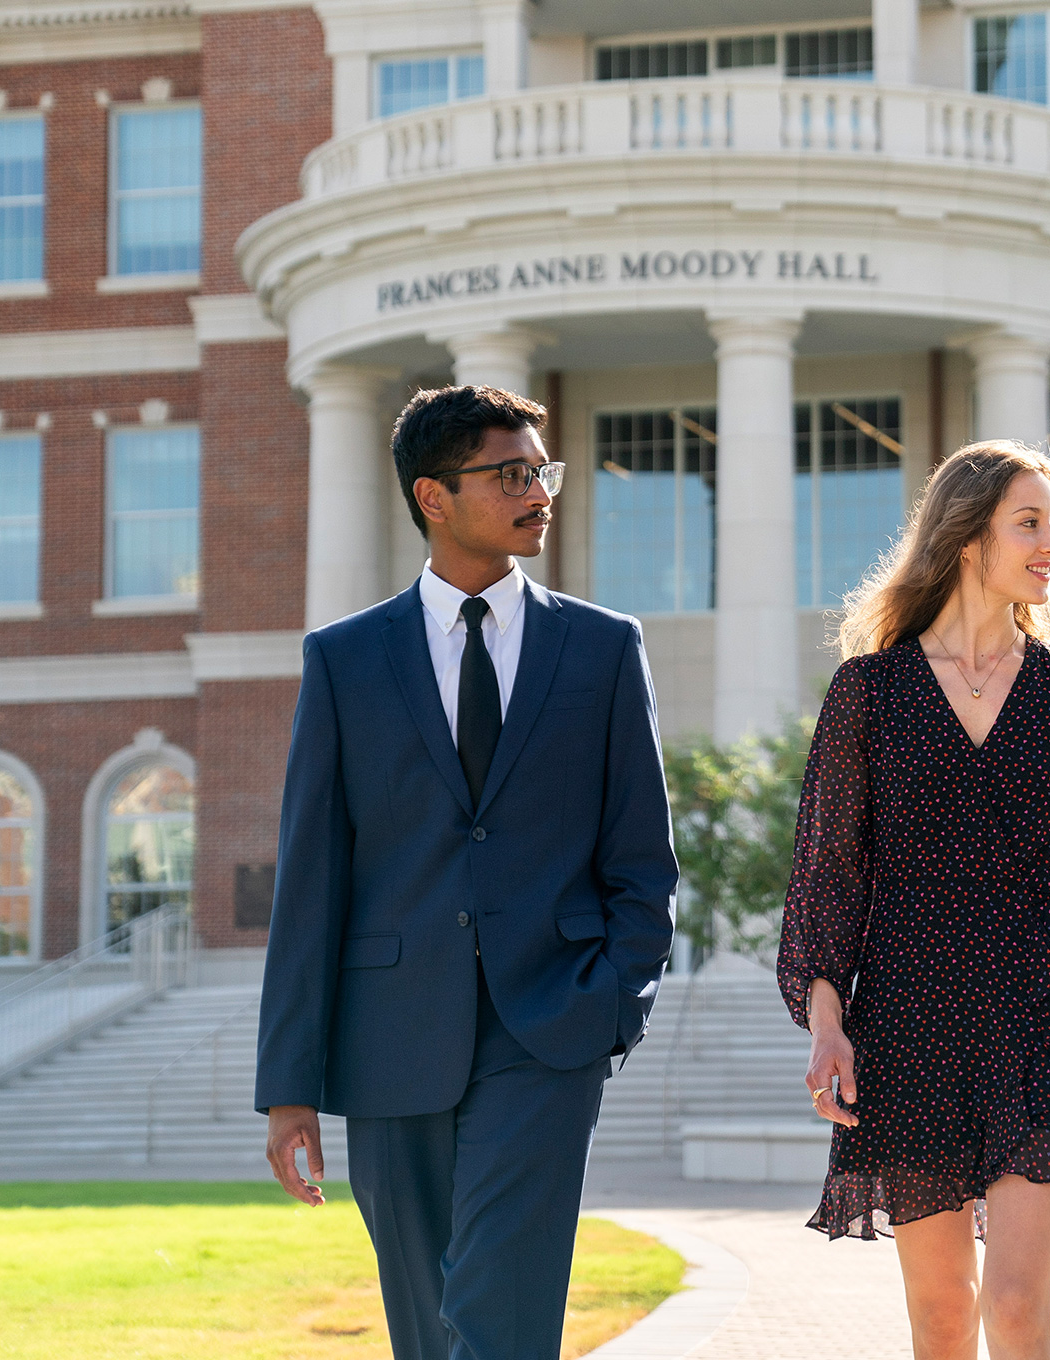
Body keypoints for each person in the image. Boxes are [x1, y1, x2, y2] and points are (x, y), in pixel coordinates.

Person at [255, 385, 678, 1360]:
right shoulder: (345, 660)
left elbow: (642, 857)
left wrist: (615, 1000)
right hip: (388, 1033)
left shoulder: (604, 649)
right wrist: (290, 1083)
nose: (540, 492)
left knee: (499, 1309)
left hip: (551, 1028)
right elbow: (312, 879)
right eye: (512, 473)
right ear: (434, 496)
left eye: (543, 471)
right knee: (425, 1320)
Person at [777, 440, 1050, 1360]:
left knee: (1018, 1305)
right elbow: (830, 875)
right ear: (966, 536)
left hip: (1042, 1021)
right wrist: (826, 1021)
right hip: (909, 1024)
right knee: (942, 1315)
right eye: (1030, 523)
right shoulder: (868, 693)